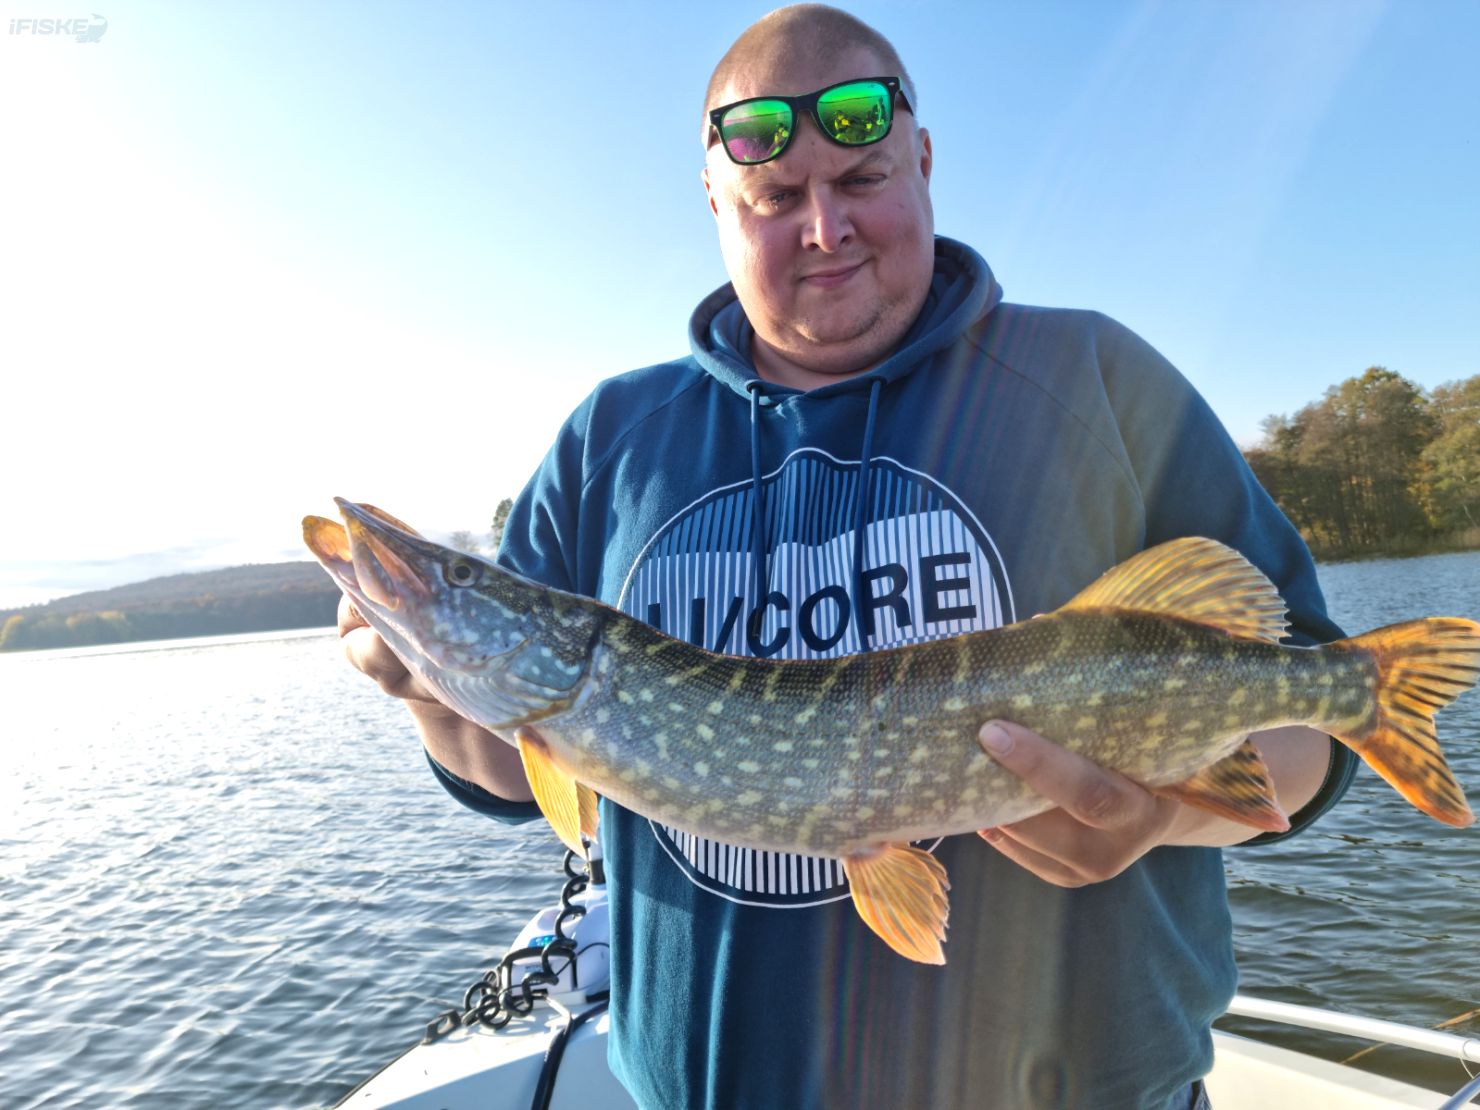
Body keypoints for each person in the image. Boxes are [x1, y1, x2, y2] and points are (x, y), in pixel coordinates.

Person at [340, 6, 1355, 1107]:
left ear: (923, 163)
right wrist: (425, 684)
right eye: (776, 198)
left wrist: (1164, 816)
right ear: (717, 202)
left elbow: (1315, 713)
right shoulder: (608, 442)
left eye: (862, 179)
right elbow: (512, 772)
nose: (825, 228)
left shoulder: (1098, 380)